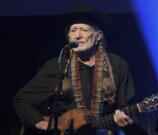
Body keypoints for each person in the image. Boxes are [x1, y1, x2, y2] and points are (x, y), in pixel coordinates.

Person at [13, 3, 145, 135]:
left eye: (84, 30)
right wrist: (40, 123)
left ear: (98, 36)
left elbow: (127, 105)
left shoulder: (117, 65)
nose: (77, 35)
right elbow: (22, 99)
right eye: (73, 30)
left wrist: (127, 120)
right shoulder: (57, 66)